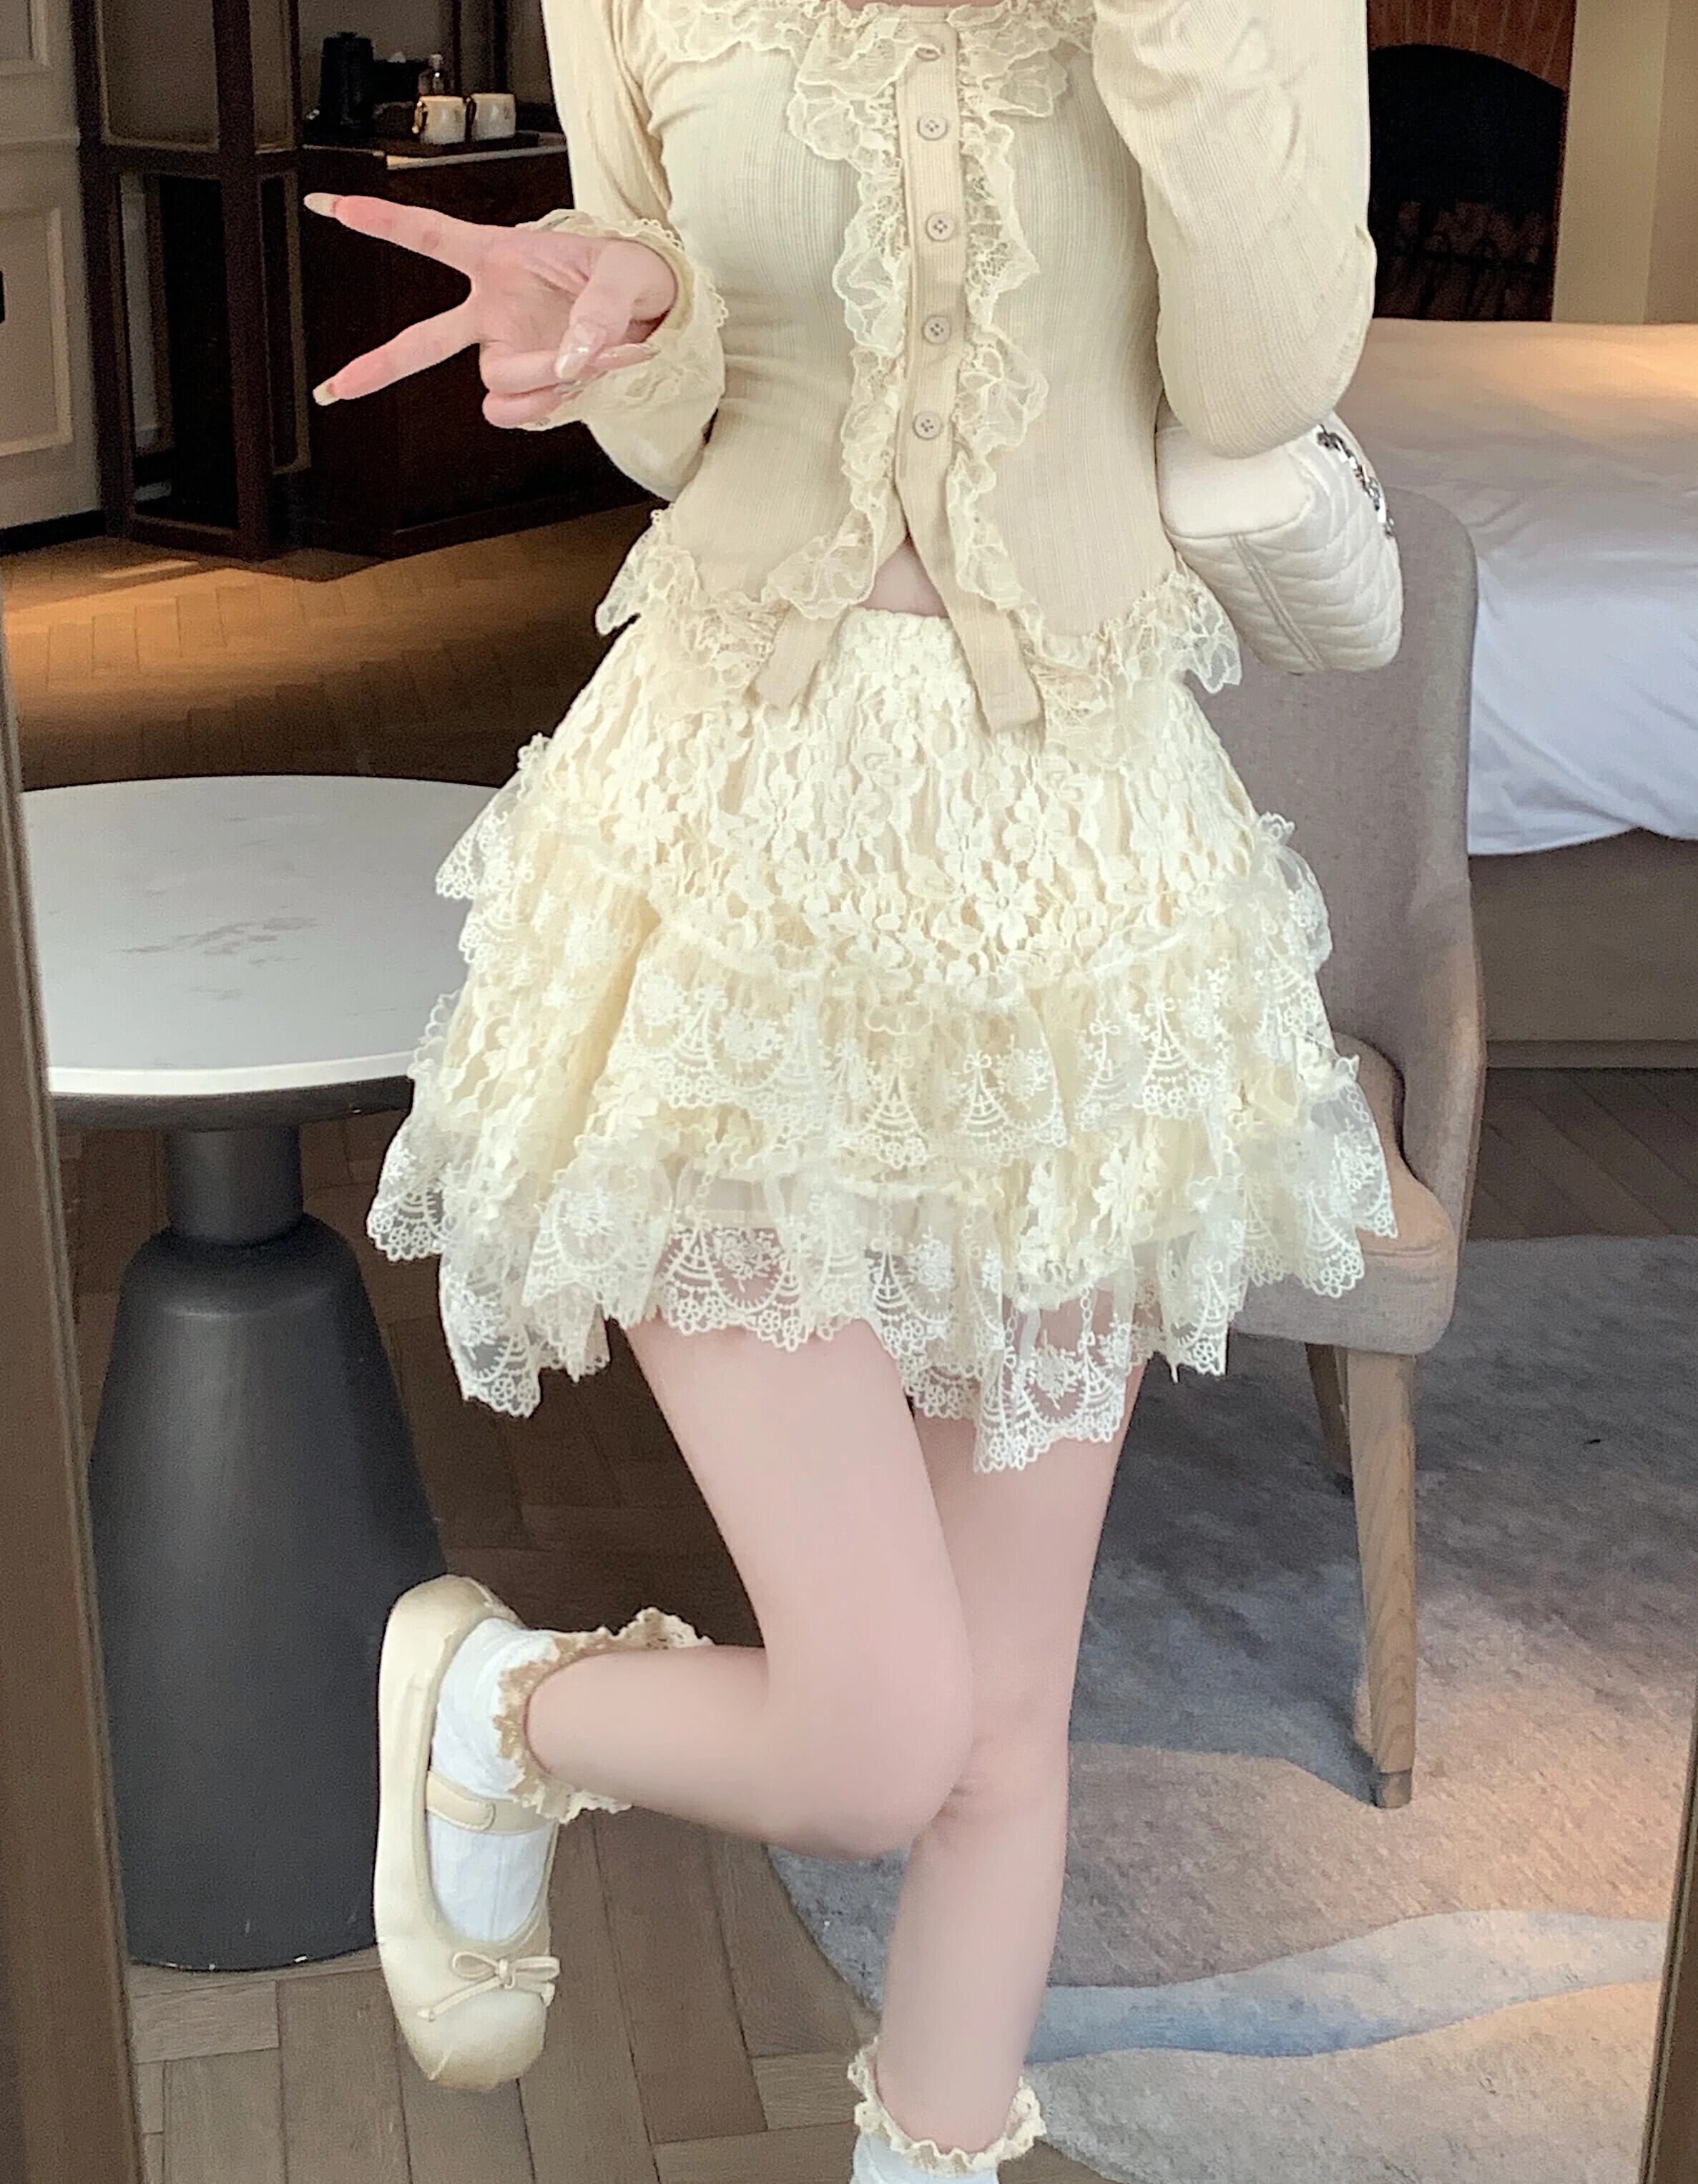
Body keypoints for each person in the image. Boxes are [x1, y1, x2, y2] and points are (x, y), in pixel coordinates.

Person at [313, 0, 1395, 2172]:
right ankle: (507, 1705)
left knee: (1002, 1733)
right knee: (882, 1736)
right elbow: (671, 428)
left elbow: (1266, 378)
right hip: (733, 873)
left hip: (1081, 891)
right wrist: (631, 320)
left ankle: (937, 2142)